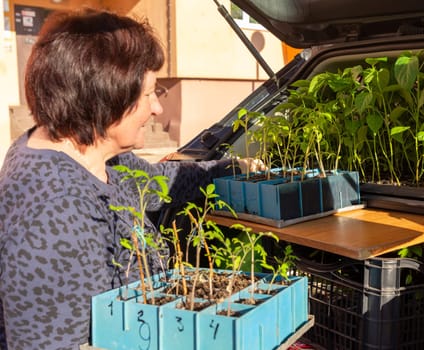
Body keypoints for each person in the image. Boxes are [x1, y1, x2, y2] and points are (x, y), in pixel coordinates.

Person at [0, 8, 260, 349]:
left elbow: (157, 183)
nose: (157, 109)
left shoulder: (102, 154)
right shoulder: (53, 213)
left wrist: (232, 168)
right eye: (149, 93)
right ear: (108, 95)